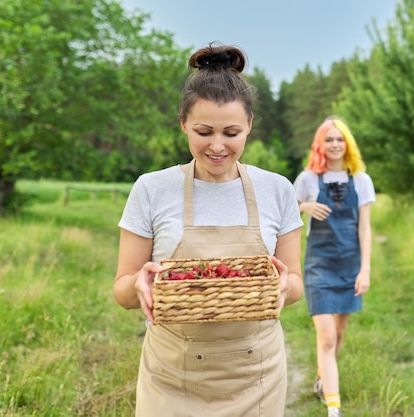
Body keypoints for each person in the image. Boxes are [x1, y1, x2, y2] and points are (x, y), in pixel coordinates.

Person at [113, 42, 304, 417]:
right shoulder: (152, 189)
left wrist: (283, 286)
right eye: (204, 132)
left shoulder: (278, 189)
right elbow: (122, 288)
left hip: (256, 374)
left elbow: (295, 281)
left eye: (231, 133)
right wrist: (138, 286)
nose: (217, 146)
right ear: (183, 123)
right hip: (171, 375)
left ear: (249, 125)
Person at [293, 116, 375, 417]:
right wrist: (303, 206)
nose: (335, 144)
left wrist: (364, 270)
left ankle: (321, 379)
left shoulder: (361, 180)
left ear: (347, 143)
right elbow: (286, 209)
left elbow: (365, 229)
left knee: (338, 335)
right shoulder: (308, 179)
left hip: (350, 265)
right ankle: (334, 407)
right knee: (326, 336)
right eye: (329, 139)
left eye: (340, 139)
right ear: (320, 144)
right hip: (319, 265)